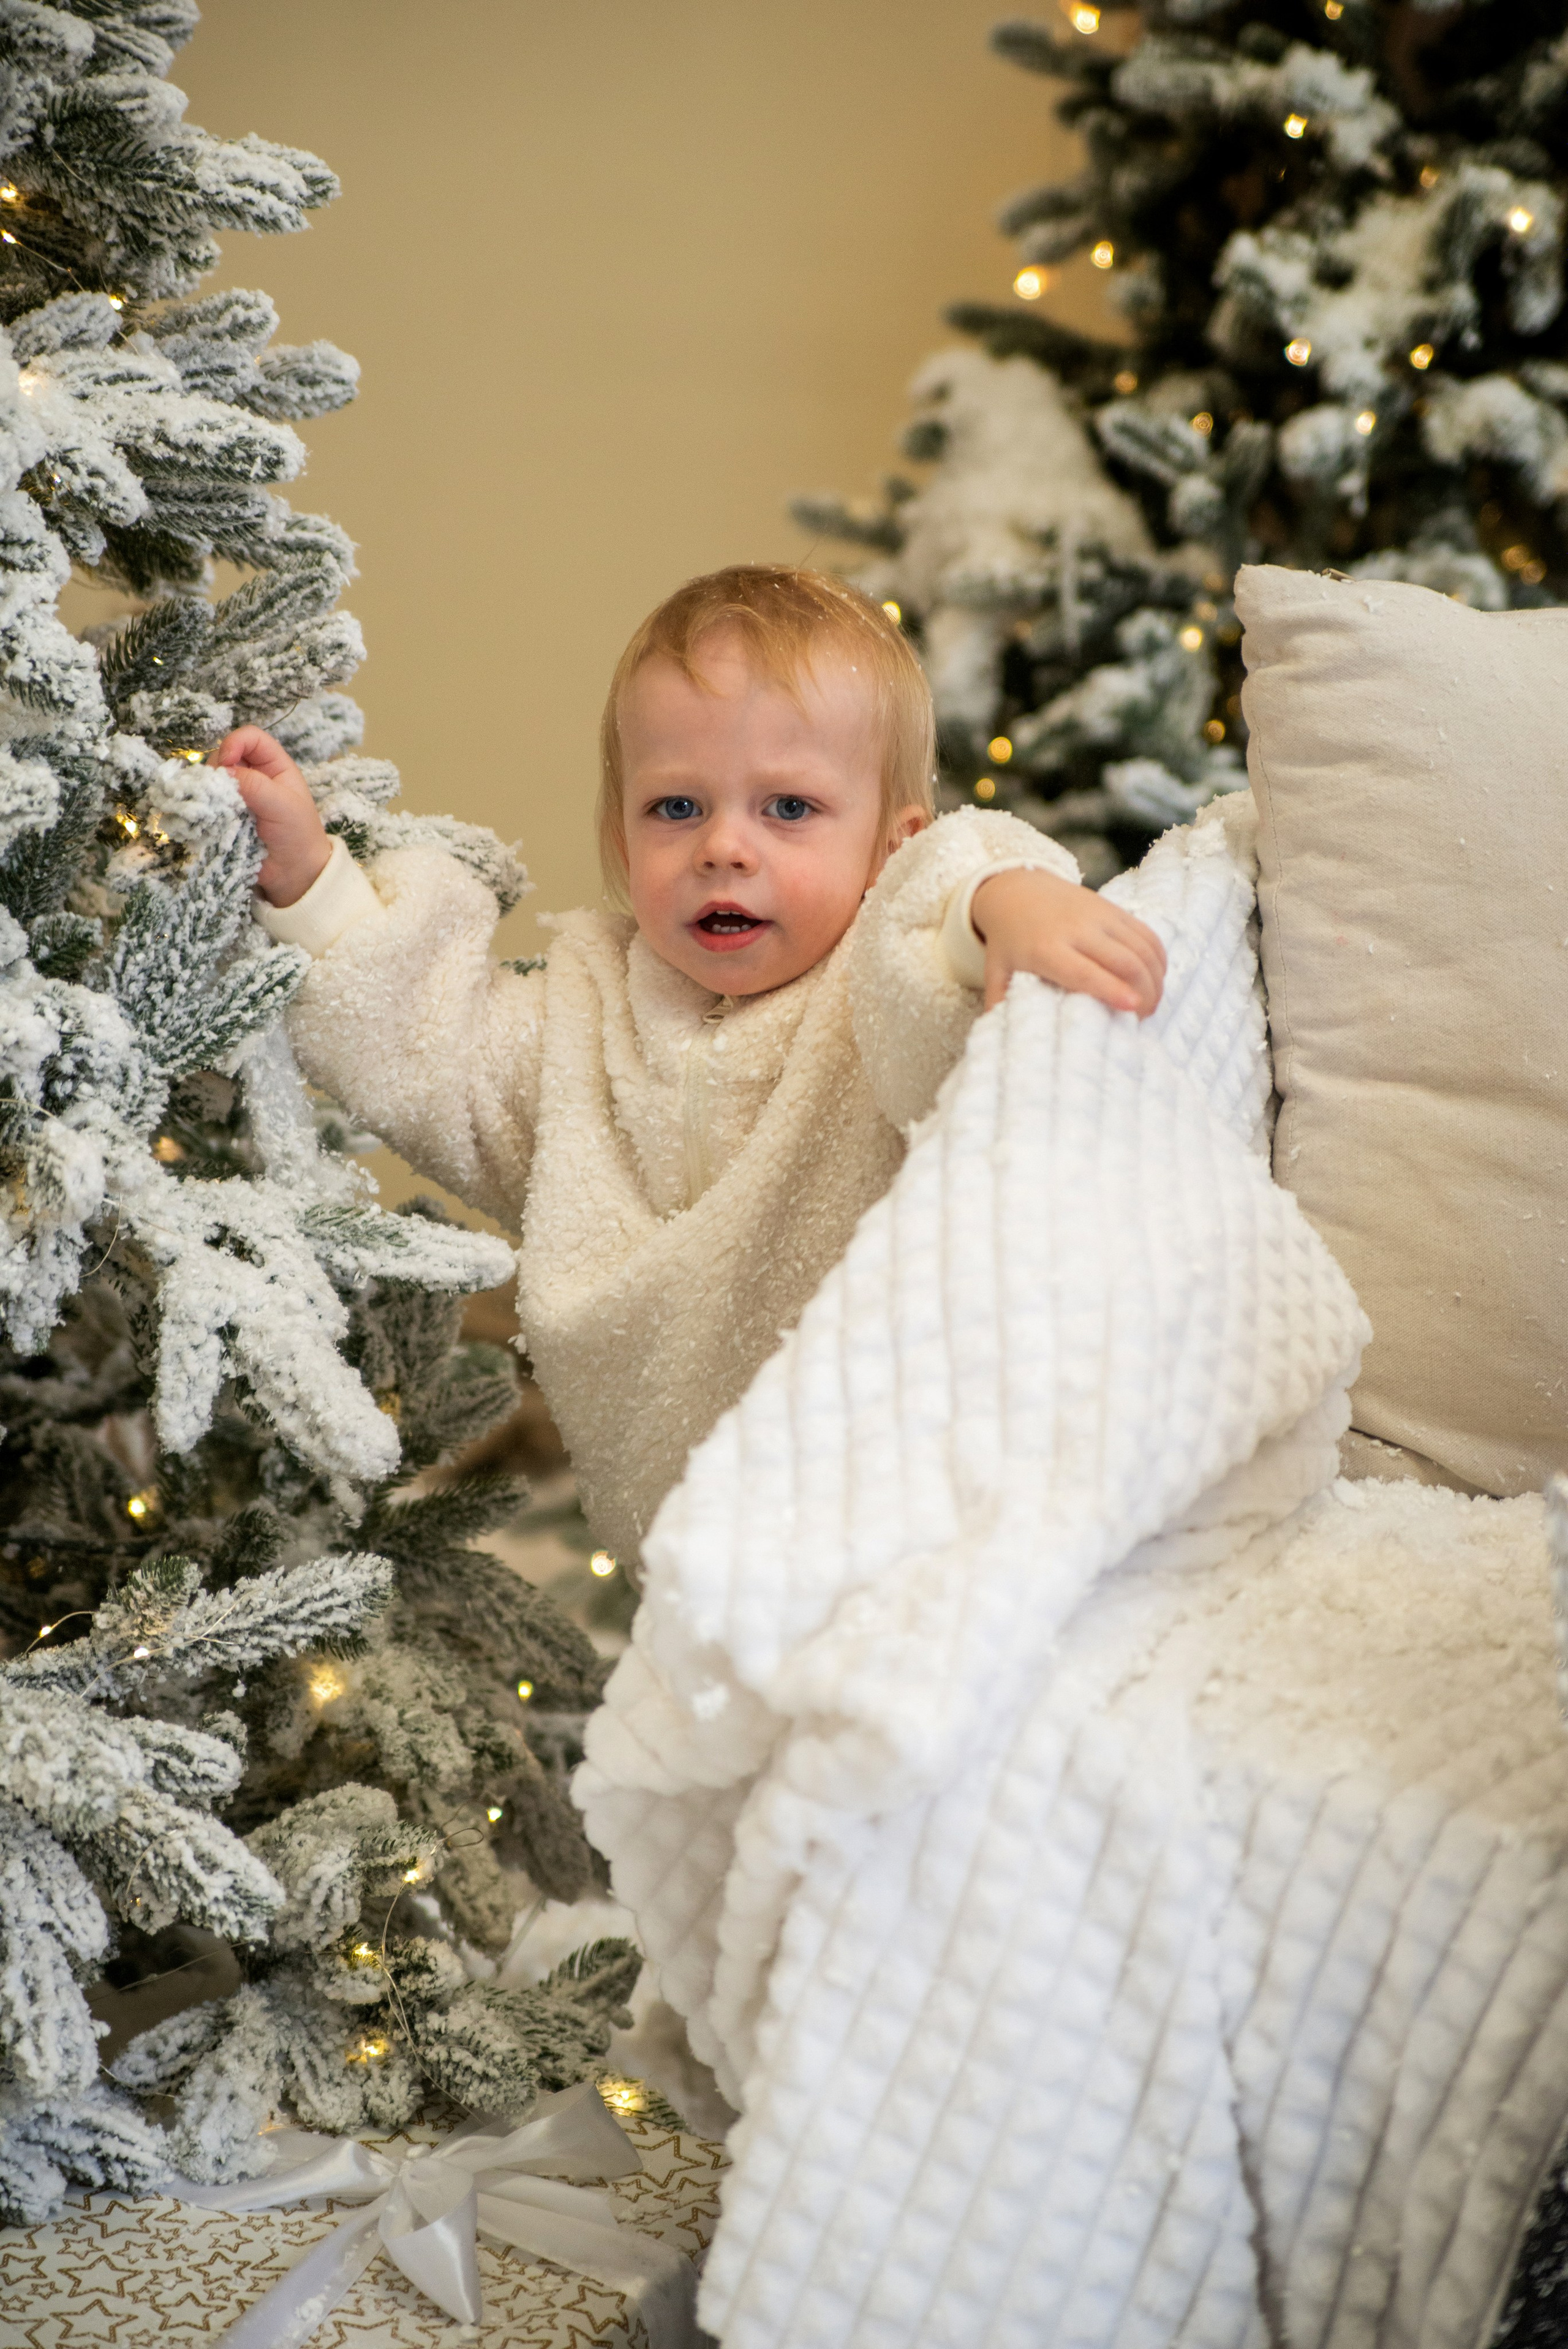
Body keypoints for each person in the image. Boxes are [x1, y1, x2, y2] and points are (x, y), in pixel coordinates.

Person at [221, 565, 1165, 1567]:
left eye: (789, 809)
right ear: (621, 840)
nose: (725, 847)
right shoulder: (587, 1019)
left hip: (913, 1513)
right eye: (676, 808)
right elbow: (429, 1048)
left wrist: (1008, 903)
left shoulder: (882, 983)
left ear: (894, 848)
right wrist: (310, 882)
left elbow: (948, 942)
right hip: (690, 1550)